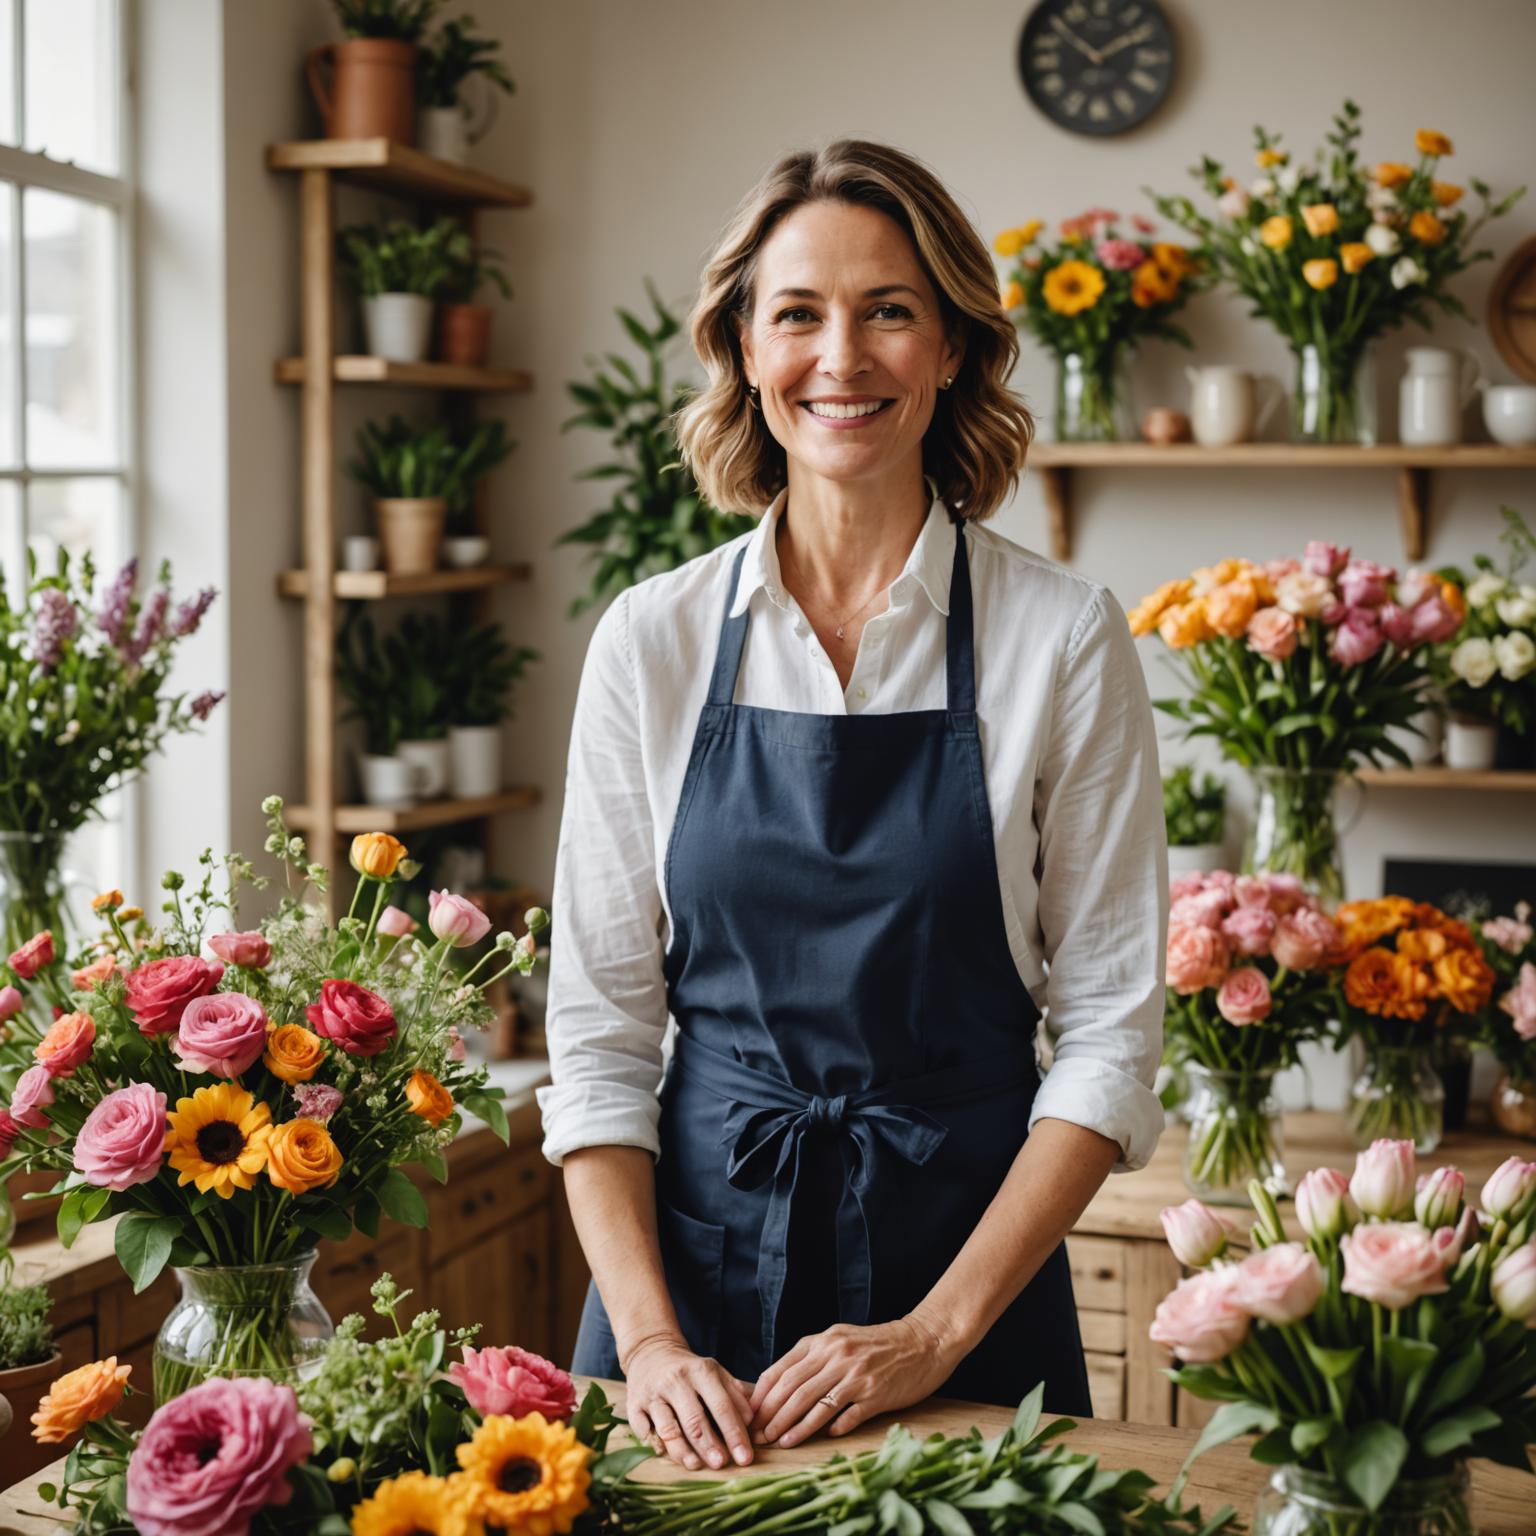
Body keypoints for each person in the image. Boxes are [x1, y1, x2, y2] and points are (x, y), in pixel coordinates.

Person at [537, 137, 1166, 1474]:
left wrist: (934, 1332)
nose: (844, 357)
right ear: (745, 351)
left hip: (966, 1293)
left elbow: (1111, 1034)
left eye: (890, 310)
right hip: (683, 1315)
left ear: (950, 348)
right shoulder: (651, 641)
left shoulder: (1060, 638)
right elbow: (598, 1041)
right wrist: (649, 1348)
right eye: (799, 314)